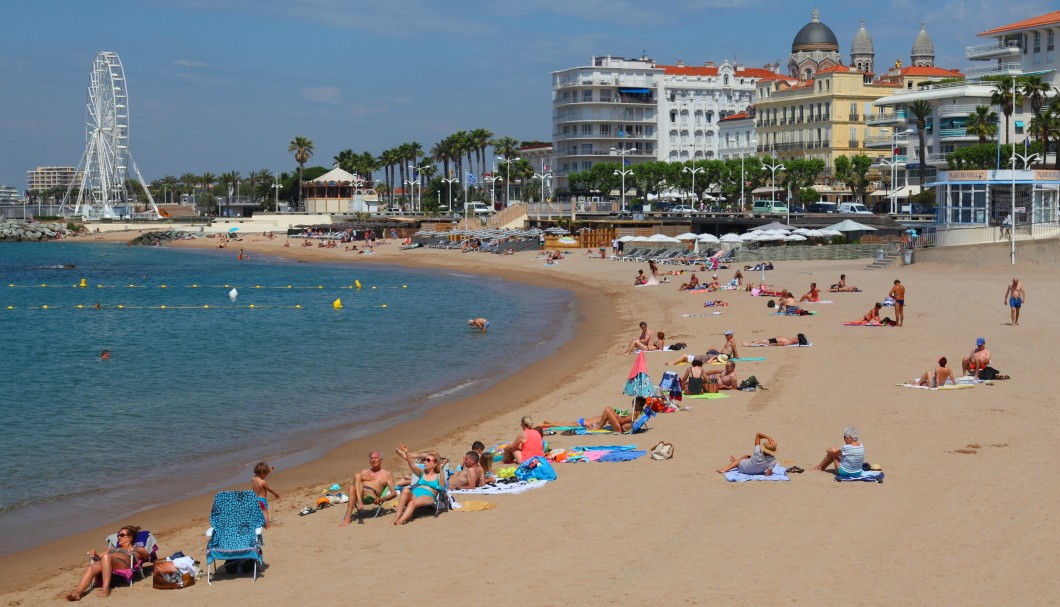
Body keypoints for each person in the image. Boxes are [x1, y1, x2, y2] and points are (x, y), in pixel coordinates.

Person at [66, 525, 151, 600]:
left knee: (107, 557)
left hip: (122, 563)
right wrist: (94, 553)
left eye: (122, 535)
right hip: (107, 561)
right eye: (118, 535)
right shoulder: (110, 549)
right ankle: (77, 593)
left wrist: (136, 548)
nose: (119, 537)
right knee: (91, 568)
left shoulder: (134, 548)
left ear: (130, 537)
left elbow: (147, 555)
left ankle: (105, 588)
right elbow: (98, 557)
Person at [392, 445, 445, 525]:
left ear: (435, 464)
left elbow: (442, 486)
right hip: (415, 494)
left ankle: (401, 520)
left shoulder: (438, 475)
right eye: (424, 460)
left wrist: (441, 469)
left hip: (428, 496)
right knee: (405, 490)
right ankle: (397, 516)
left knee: (412, 503)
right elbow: (412, 466)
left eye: (428, 460)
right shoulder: (422, 472)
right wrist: (406, 452)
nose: (425, 462)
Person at [340, 451, 397, 526]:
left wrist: (382, 499)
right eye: (371, 458)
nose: (373, 460)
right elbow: (355, 483)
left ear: (381, 460)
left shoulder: (386, 474)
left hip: (371, 496)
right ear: (369, 461)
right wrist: (364, 478)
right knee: (355, 479)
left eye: (376, 458)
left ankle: (348, 517)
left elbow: (394, 493)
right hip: (358, 494)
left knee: (356, 479)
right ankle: (349, 516)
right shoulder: (365, 472)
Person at [540, 398, 648, 433]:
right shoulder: (638, 413)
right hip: (618, 426)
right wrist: (617, 417)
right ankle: (548, 423)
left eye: (633, 401)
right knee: (609, 409)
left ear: (638, 403)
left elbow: (620, 422)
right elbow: (623, 420)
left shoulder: (635, 414)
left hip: (618, 428)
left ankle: (598, 427)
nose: (632, 403)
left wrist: (615, 418)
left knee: (607, 409)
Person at [666, 330, 738, 365]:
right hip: (718, 355)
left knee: (684, 356)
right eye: (725, 335)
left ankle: (673, 363)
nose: (725, 336)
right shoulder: (729, 340)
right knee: (711, 348)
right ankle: (673, 362)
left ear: (730, 335)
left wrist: (736, 357)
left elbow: (734, 350)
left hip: (720, 356)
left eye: (726, 335)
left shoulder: (731, 340)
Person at [251, 462, 280, 529]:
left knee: (257, 512)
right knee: (265, 513)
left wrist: (269, 470)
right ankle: (268, 526)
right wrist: (276, 494)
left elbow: (260, 473)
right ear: (263, 473)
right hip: (262, 500)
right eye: (266, 474)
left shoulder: (253, 478)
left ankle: (257, 525)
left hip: (255, 499)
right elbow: (269, 489)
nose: (266, 475)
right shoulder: (263, 482)